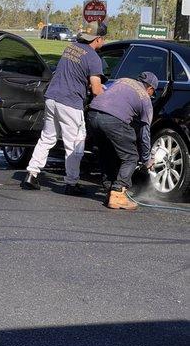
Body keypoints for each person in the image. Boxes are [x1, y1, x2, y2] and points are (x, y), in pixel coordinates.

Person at [21, 20, 107, 195]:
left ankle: (31, 174)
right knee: (74, 143)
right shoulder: (93, 58)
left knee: (47, 138)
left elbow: (73, 72)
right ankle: (71, 182)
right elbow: (97, 90)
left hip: (52, 97)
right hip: (70, 103)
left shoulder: (71, 48)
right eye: (103, 39)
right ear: (98, 39)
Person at [87, 71, 159, 209]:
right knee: (131, 156)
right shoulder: (145, 99)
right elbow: (145, 134)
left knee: (106, 152)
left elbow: (105, 90)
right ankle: (118, 192)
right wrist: (146, 159)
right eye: (153, 92)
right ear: (150, 88)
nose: (152, 95)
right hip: (112, 120)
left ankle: (110, 189)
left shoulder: (123, 80)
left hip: (92, 114)